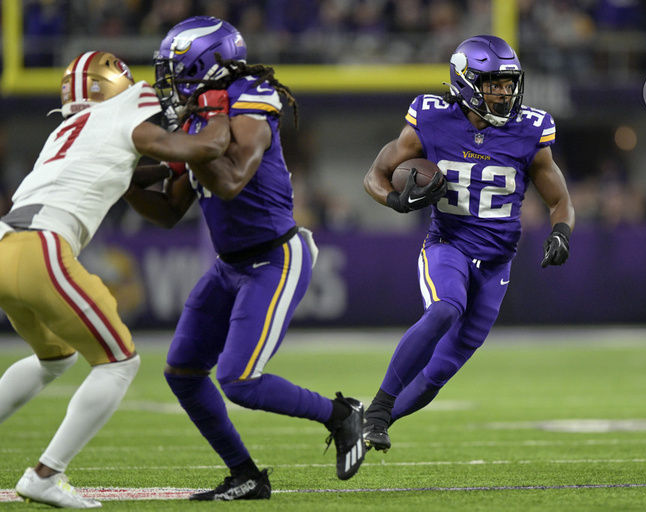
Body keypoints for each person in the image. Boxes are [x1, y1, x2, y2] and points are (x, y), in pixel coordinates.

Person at [124, 16, 365, 500]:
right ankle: (246, 475)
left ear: (207, 65)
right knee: (184, 373)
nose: (169, 83)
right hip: (230, 264)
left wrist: (187, 145)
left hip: (275, 258)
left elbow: (232, 177)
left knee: (238, 378)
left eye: (176, 70)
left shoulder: (252, 96)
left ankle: (342, 415)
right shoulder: (200, 118)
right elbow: (170, 210)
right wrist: (125, 183)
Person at [0, 51, 231, 508]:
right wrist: (218, 121)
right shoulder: (127, 109)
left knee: (56, 358)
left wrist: (168, 168)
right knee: (119, 362)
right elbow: (195, 149)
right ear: (114, 86)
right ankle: (46, 474)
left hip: (6, 243)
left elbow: (121, 168)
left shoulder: (67, 130)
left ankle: (46, 472)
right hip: (43, 247)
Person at [361, 35, 575, 451]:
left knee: (439, 372)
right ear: (466, 81)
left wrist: (561, 231)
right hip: (449, 245)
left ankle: (369, 422)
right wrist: (392, 199)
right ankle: (378, 409)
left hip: (497, 264)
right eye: (495, 83)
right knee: (444, 308)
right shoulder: (431, 118)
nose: (505, 92)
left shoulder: (530, 130)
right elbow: (375, 173)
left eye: (509, 83)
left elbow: (559, 200)